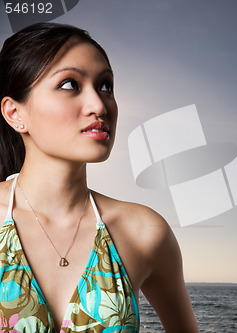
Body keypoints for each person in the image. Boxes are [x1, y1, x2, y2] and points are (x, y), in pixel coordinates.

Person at [0, 22, 199, 332]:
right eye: (70, 84)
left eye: (105, 86)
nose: (99, 105)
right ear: (15, 113)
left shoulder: (144, 233)